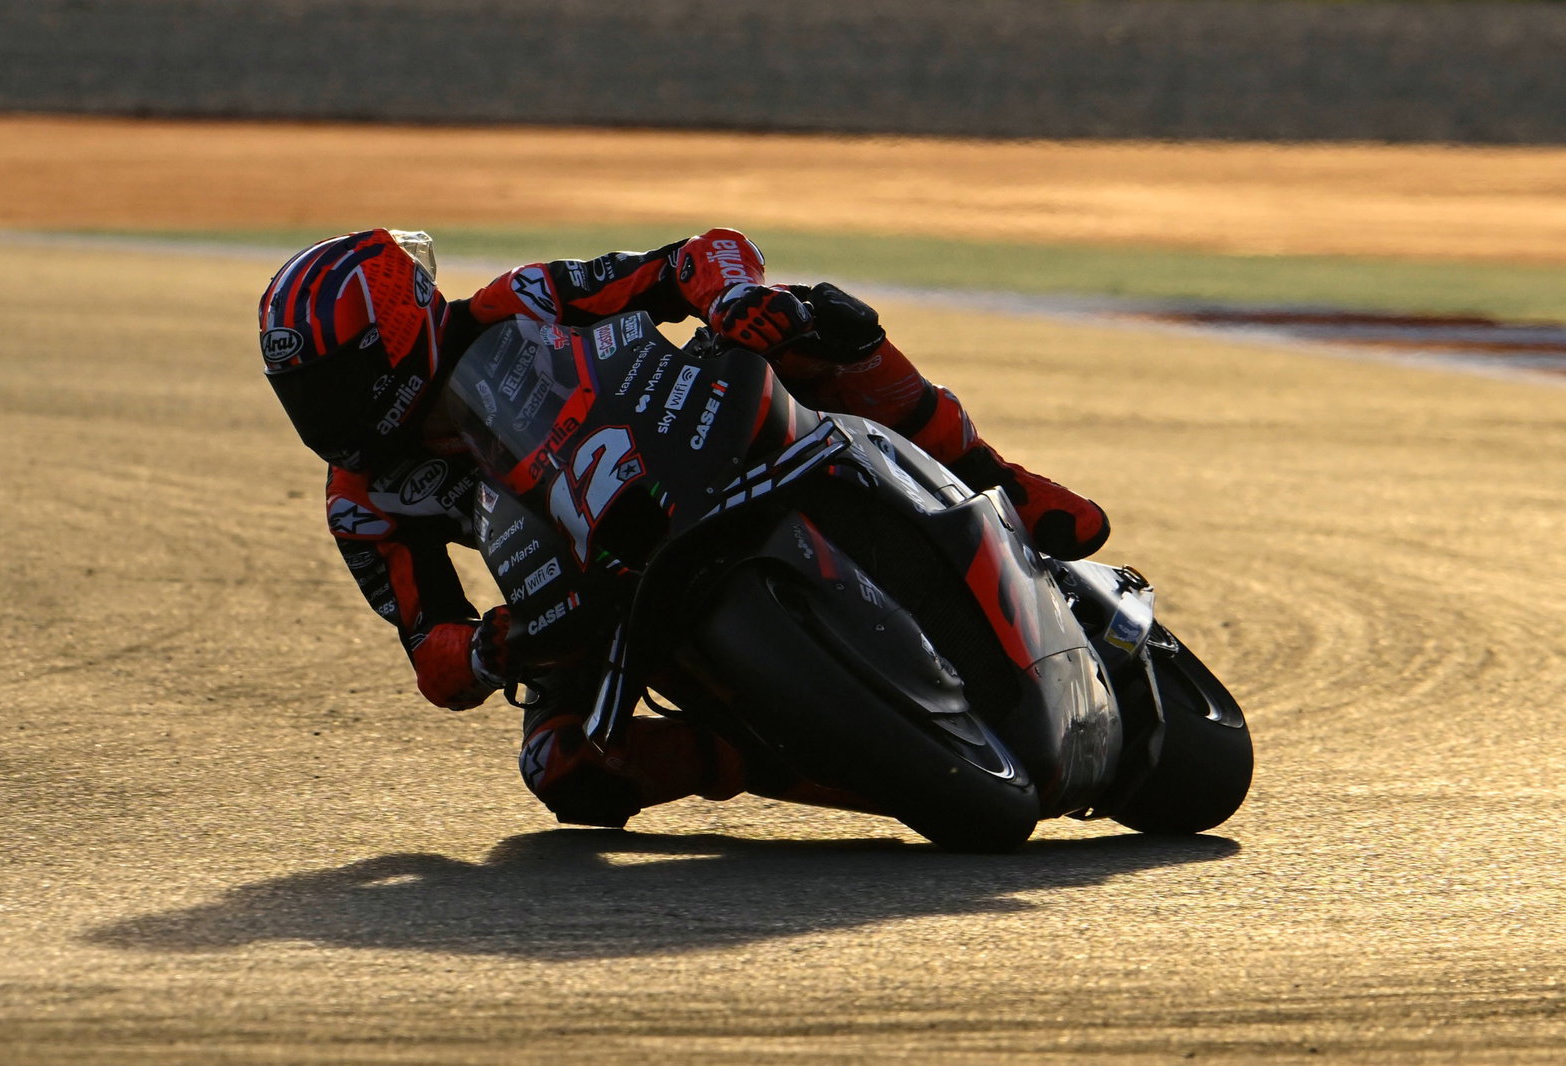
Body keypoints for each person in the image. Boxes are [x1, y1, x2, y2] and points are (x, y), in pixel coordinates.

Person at [258, 227, 1109, 827]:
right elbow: (430, 653)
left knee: (821, 323)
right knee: (564, 772)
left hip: (685, 433)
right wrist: (494, 647)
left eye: (337, 383)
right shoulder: (363, 501)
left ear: (397, 334)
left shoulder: (516, 301)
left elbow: (696, 255)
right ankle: (781, 749)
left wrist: (735, 298)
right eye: (301, 396)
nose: (321, 415)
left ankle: (1000, 482)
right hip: (582, 586)